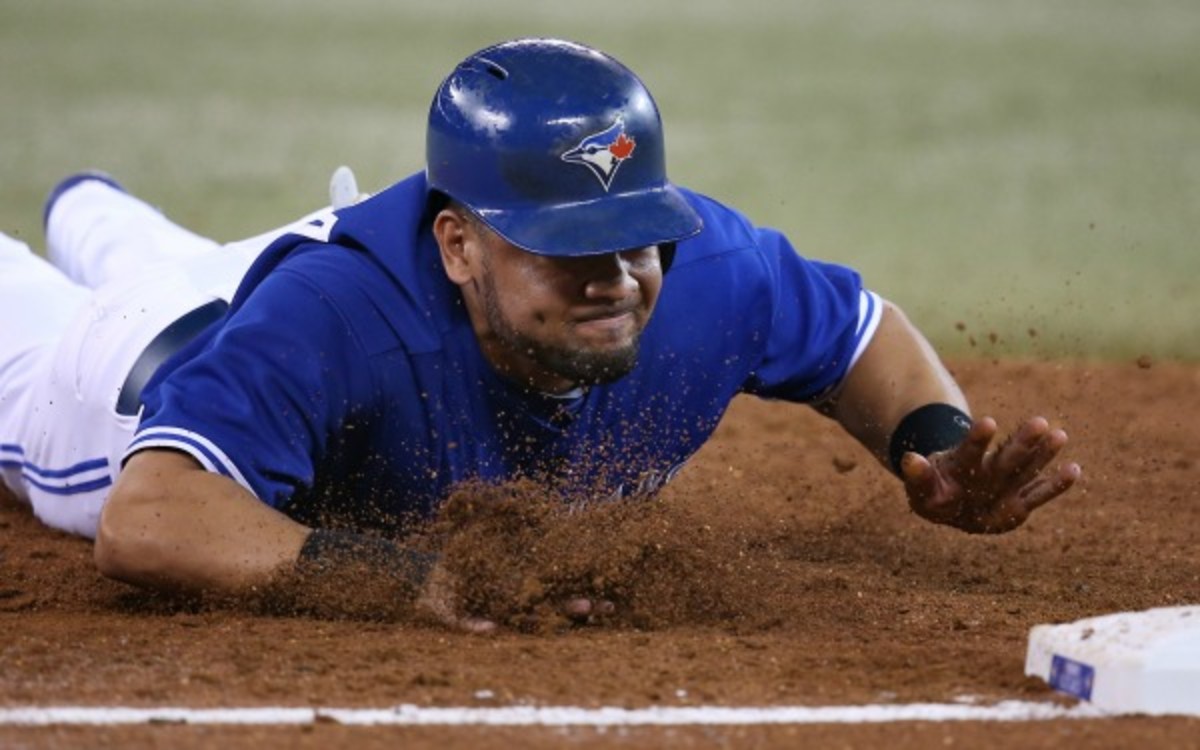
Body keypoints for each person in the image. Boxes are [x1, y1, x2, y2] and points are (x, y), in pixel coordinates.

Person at [0, 38, 1079, 628]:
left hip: (263, 289)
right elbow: (149, 518)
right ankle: (80, 235)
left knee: (141, 243)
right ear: (460, 244)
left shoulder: (707, 273)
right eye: (569, 247)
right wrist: (410, 580)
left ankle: (92, 207)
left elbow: (859, 335)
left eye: (635, 236)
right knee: (73, 314)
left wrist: (932, 439)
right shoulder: (343, 321)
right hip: (122, 372)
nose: (616, 276)